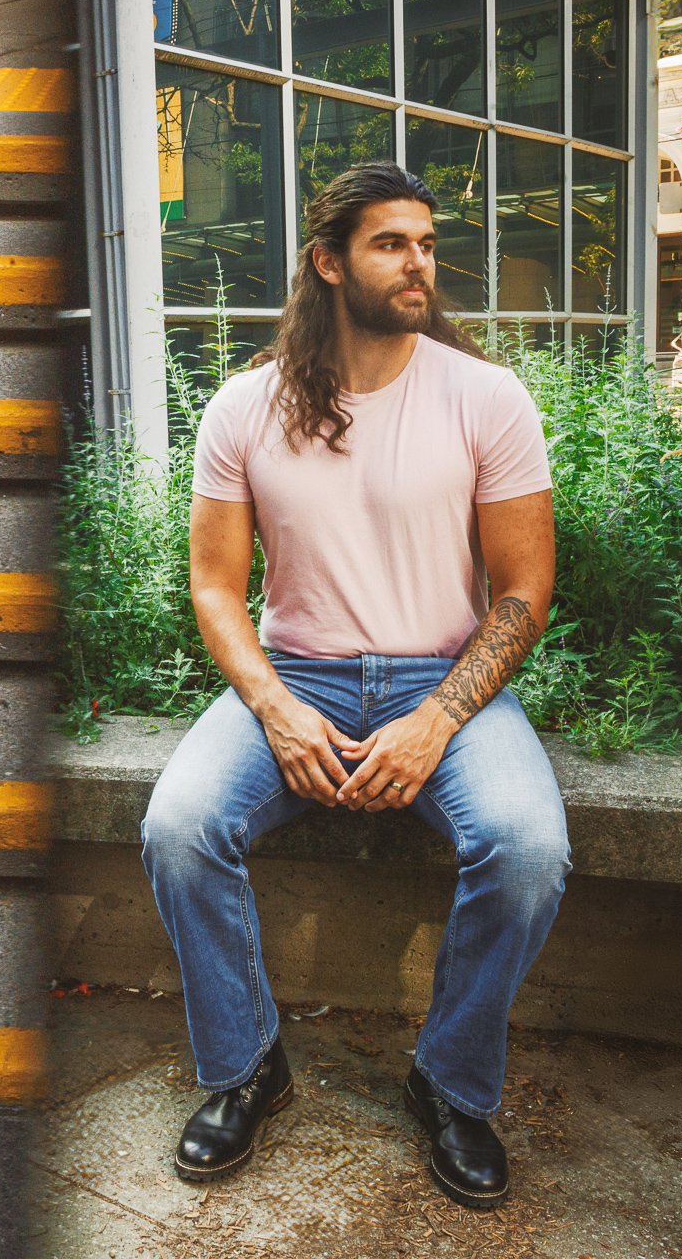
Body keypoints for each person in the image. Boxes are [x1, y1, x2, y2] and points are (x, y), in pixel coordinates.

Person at [141, 162, 568, 1209]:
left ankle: (452, 1085)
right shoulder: (245, 405)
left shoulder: (485, 395)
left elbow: (523, 589)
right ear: (328, 262)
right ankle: (248, 1067)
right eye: (391, 243)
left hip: (445, 679)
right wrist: (277, 707)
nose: (419, 261)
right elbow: (213, 586)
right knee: (178, 825)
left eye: (425, 242)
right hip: (299, 675)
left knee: (528, 848)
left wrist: (436, 718)